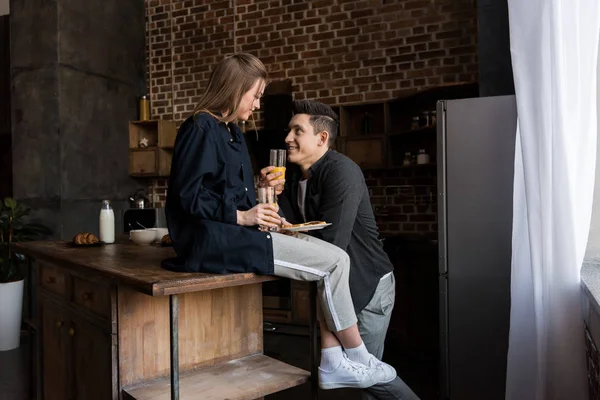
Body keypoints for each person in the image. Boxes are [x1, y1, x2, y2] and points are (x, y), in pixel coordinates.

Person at [163, 53, 397, 390]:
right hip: (213, 241)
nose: (257, 105)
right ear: (234, 89)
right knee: (333, 261)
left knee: (333, 259)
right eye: (255, 95)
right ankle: (355, 356)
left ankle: (335, 361)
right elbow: (186, 196)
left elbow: (229, 194)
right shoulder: (200, 126)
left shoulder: (232, 133)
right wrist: (241, 215)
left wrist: (260, 190)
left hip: (233, 234)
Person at [265, 99, 420, 400]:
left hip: (366, 287)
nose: (287, 138)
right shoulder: (295, 177)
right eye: (289, 130)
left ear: (322, 138)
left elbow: (329, 244)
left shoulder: (342, 171)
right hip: (332, 286)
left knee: (368, 378)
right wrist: (270, 191)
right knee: (344, 379)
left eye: (298, 131)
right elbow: (288, 227)